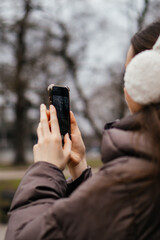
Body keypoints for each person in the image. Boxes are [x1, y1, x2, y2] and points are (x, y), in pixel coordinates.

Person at [5, 21, 160, 240]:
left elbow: (24, 236)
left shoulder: (139, 177)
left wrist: (45, 169)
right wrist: (80, 172)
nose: (126, 87)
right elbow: (109, 225)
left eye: (130, 75)